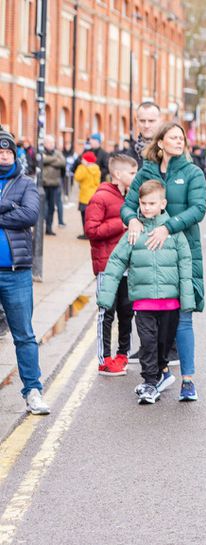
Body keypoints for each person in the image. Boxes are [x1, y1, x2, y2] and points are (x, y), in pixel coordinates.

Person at [123, 121, 206, 402]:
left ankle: (188, 380)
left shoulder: (193, 173)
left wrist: (168, 227)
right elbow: (128, 204)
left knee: (183, 317)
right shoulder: (146, 171)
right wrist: (132, 218)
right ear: (160, 143)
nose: (179, 141)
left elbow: (198, 209)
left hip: (184, 252)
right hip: (150, 256)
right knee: (157, 320)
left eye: (181, 137)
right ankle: (159, 373)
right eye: (173, 137)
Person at [97, 181, 194, 404]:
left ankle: (160, 372)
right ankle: (150, 383)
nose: (147, 208)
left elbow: (185, 265)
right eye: (143, 203)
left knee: (163, 345)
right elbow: (116, 264)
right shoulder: (134, 231)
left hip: (170, 303)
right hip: (143, 303)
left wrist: (187, 298)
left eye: (152, 203)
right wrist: (105, 296)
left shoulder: (174, 232)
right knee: (147, 343)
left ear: (163, 204)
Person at [0, 128, 49, 414]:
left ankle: (33, 391)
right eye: (0, 151)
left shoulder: (26, 183)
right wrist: (8, 206)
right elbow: (17, 215)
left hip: (16, 273)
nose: (4, 156)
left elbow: (30, 215)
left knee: (24, 335)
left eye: (9, 152)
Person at [86, 153, 138, 376]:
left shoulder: (131, 198)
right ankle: (104, 359)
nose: (136, 177)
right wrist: (122, 222)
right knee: (107, 312)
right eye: (132, 173)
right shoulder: (100, 197)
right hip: (107, 266)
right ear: (118, 174)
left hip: (128, 265)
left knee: (127, 312)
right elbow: (91, 230)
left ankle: (122, 353)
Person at [125, 101, 163, 169]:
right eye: (142, 121)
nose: (146, 125)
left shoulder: (169, 150)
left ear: (160, 121)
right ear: (137, 122)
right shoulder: (130, 155)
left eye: (151, 121)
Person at [40, 135, 66, 236]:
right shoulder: (42, 152)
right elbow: (42, 161)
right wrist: (54, 160)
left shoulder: (58, 153)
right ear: (45, 143)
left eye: (53, 143)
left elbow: (63, 163)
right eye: (50, 143)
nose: (52, 145)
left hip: (54, 185)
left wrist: (49, 160)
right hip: (44, 184)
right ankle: (41, 226)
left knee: (51, 207)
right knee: (43, 207)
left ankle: (49, 228)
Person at [74, 151, 101, 239]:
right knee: (91, 217)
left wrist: (83, 167)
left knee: (84, 216)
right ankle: (90, 232)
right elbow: (97, 182)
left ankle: (86, 233)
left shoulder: (83, 168)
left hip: (85, 196)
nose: (81, 160)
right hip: (93, 194)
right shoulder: (96, 169)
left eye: (83, 159)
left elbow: (77, 177)